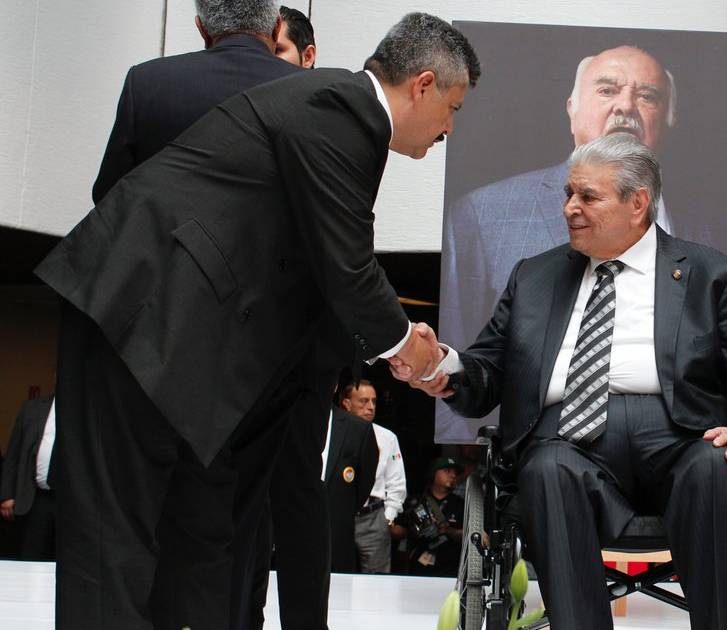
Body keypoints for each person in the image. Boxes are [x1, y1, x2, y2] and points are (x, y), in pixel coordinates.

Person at [36, 13, 479, 629]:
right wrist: (414, 351)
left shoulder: (342, 113)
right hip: (132, 310)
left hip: (182, 340)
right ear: (423, 84)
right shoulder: (342, 110)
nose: (449, 128)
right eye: (452, 108)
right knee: (113, 532)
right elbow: (347, 268)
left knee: (191, 530)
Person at [407, 133, 727, 629]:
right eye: (569, 193)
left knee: (718, 466)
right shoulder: (534, 277)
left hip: (684, 441)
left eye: (588, 196)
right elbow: (487, 371)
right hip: (567, 443)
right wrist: (442, 366)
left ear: (637, 203)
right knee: (545, 469)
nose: (570, 207)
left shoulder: (712, 275)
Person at [438, 45, 727, 440]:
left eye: (647, 96)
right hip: (550, 443)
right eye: (607, 90)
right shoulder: (483, 216)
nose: (625, 107)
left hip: (678, 443)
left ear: (670, 119)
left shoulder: (721, 233)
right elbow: (479, 366)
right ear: (572, 108)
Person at [92, 0, 301, 204]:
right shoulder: (305, 89)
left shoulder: (146, 81)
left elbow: (108, 196)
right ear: (277, 27)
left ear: (202, 29)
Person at [338, 379, 407, 573]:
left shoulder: (387, 437)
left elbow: (396, 482)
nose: (371, 407)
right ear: (346, 403)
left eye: (374, 401)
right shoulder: (330, 433)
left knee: (377, 579)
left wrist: (388, 517)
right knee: (335, 573)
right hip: (338, 513)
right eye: (363, 401)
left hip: (373, 515)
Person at [323, 404, 379, 573]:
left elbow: (364, 481)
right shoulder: (289, 419)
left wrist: (343, 510)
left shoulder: (358, 429)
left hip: (337, 530)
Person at [0, 396, 56, 560]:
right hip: (35, 497)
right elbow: (13, 452)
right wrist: (7, 495)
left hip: (72, 502)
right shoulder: (32, 408)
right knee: (32, 554)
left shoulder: (88, 409)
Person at [397, 457, 464, 577]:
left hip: (450, 570)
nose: (453, 475)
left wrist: (447, 530)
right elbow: (398, 531)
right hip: (418, 569)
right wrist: (414, 529)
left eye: (455, 473)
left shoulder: (461, 504)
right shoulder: (415, 502)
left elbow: (469, 534)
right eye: (447, 471)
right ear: (433, 474)